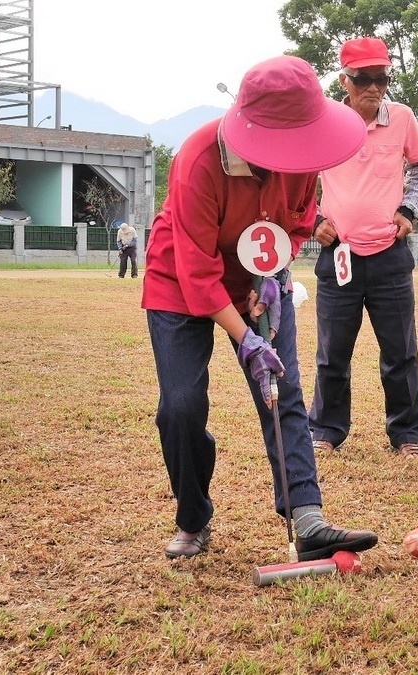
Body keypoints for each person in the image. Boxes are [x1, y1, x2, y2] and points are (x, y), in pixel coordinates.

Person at [140, 55, 378, 560]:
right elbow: (197, 272)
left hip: (259, 281)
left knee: (282, 391)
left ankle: (306, 517)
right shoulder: (199, 158)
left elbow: (296, 223)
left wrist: (270, 278)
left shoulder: (304, 154)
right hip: (181, 279)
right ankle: (193, 515)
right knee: (180, 407)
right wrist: (245, 337)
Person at [309, 37, 418, 459]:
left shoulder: (401, 118)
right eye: (364, 78)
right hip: (339, 255)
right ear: (344, 80)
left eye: (382, 78)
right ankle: (325, 431)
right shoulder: (323, 121)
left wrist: (409, 209)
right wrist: (313, 220)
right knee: (332, 353)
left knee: (400, 350)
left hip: (389, 255)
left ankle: (407, 436)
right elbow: (294, 177)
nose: (375, 87)